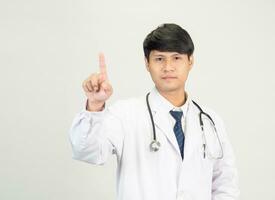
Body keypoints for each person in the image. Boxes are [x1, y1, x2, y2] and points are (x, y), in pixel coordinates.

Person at [69, 23, 240, 200]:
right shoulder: (125, 114)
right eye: (159, 59)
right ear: (147, 64)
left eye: (176, 58)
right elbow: (87, 151)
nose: (168, 67)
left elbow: (225, 184)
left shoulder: (211, 121)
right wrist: (95, 105)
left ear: (190, 61)